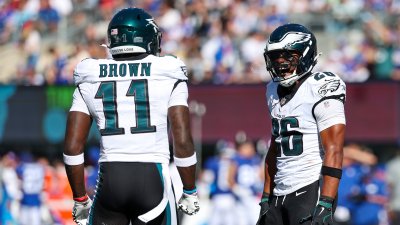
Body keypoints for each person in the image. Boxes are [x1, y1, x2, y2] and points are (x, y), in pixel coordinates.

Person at [63, 7, 199, 225]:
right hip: (153, 177)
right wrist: (189, 190)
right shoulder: (167, 70)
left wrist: (80, 198)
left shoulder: (90, 73)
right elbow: (182, 140)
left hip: (110, 180)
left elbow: (72, 147)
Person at [257, 23, 346, 225]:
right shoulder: (272, 89)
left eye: (288, 57)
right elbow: (275, 147)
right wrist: (266, 195)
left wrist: (326, 203)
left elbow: (334, 148)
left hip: (309, 189)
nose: (280, 64)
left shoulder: (322, 86)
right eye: (275, 58)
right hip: (279, 193)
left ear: (304, 55)